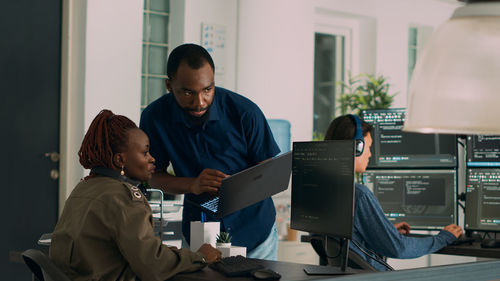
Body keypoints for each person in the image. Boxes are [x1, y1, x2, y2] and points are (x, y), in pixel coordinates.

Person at [140, 43, 280, 260]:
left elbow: (269, 171)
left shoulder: (245, 112)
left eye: (207, 89)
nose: (199, 102)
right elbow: (153, 177)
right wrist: (193, 185)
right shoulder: (154, 117)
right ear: (169, 85)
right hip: (200, 238)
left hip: (256, 236)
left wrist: (239, 188)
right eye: (188, 92)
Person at [49, 110, 221, 281]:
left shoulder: (84, 187)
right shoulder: (124, 197)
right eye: (145, 153)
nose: (152, 159)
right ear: (120, 160)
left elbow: (137, 251)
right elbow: (153, 266)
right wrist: (200, 257)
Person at [324, 114, 463, 271]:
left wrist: (384, 231)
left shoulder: (325, 190)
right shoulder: (358, 194)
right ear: (357, 147)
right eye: (369, 147)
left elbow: (351, 243)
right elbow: (399, 248)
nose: (370, 154)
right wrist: (443, 237)